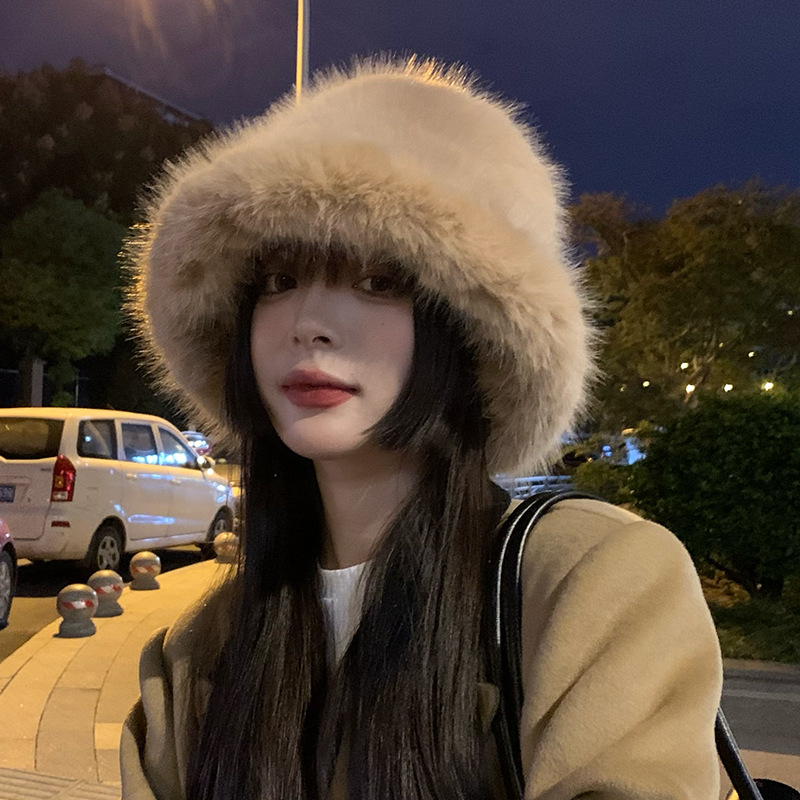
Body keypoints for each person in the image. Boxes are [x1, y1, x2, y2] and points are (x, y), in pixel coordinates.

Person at [120, 58, 722, 800]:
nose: (307, 323)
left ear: (468, 332)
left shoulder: (589, 583)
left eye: (379, 281)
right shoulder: (194, 657)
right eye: (278, 280)